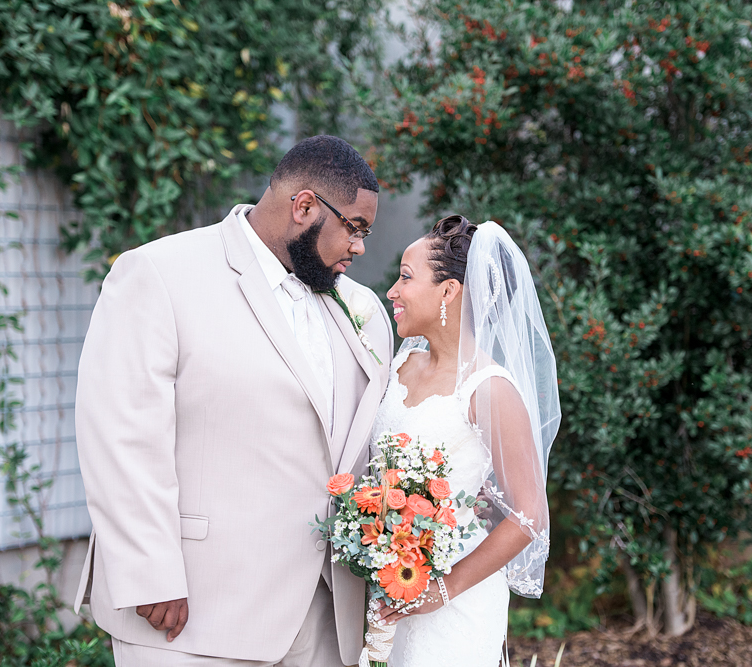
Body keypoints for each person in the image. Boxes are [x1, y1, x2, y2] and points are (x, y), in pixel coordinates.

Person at [72, 135, 394, 667]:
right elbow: (121, 433)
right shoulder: (160, 273)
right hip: (192, 610)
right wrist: (149, 570)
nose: (360, 247)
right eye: (355, 228)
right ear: (305, 207)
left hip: (325, 617)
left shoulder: (358, 307)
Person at [370, 215, 560, 666]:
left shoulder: (488, 387)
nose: (392, 292)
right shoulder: (399, 366)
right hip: (385, 587)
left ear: (449, 291)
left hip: (456, 605)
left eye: (406, 277)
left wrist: (444, 587)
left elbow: (530, 513)